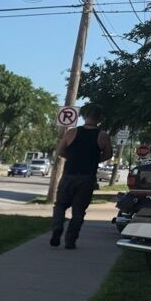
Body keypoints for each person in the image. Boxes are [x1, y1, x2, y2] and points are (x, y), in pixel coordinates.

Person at [51, 103, 113, 249]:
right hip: (87, 178)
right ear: (99, 118)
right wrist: (93, 159)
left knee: (60, 205)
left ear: (84, 116)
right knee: (78, 212)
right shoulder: (103, 136)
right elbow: (108, 154)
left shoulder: (71, 132)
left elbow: (60, 151)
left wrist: (72, 158)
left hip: (69, 175)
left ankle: (57, 227)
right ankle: (70, 241)